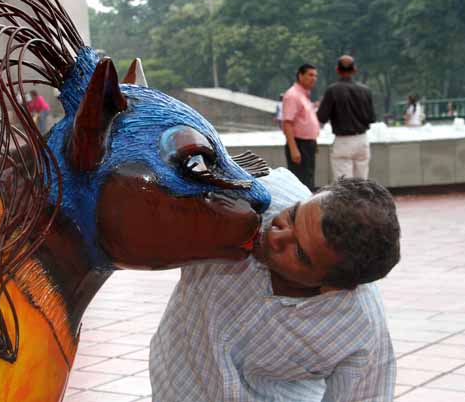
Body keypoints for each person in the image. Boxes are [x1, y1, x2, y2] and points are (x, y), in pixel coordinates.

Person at [150, 168, 400, 402]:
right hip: (179, 385)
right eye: (292, 216)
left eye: (299, 253)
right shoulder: (249, 192)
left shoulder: (359, 328)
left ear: (333, 286)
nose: (276, 234)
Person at [317, 55, 376, 180]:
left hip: (342, 141)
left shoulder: (332, 90)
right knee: (362, 182)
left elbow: (322, 117)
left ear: (337, 70)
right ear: (354, 70)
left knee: (344, 184)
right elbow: (371, 118)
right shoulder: (366, 91)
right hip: (362, 139)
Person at [282, 64, 320, 191]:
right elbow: (287, 123)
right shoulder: (293, 95)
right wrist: (294, 149)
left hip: (308, 144)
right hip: (299, 144)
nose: (314, 78)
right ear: (300, 76)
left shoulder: (303, 95)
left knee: (308, 180)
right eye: (310, 75)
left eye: (315, 76)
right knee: (301, 183)